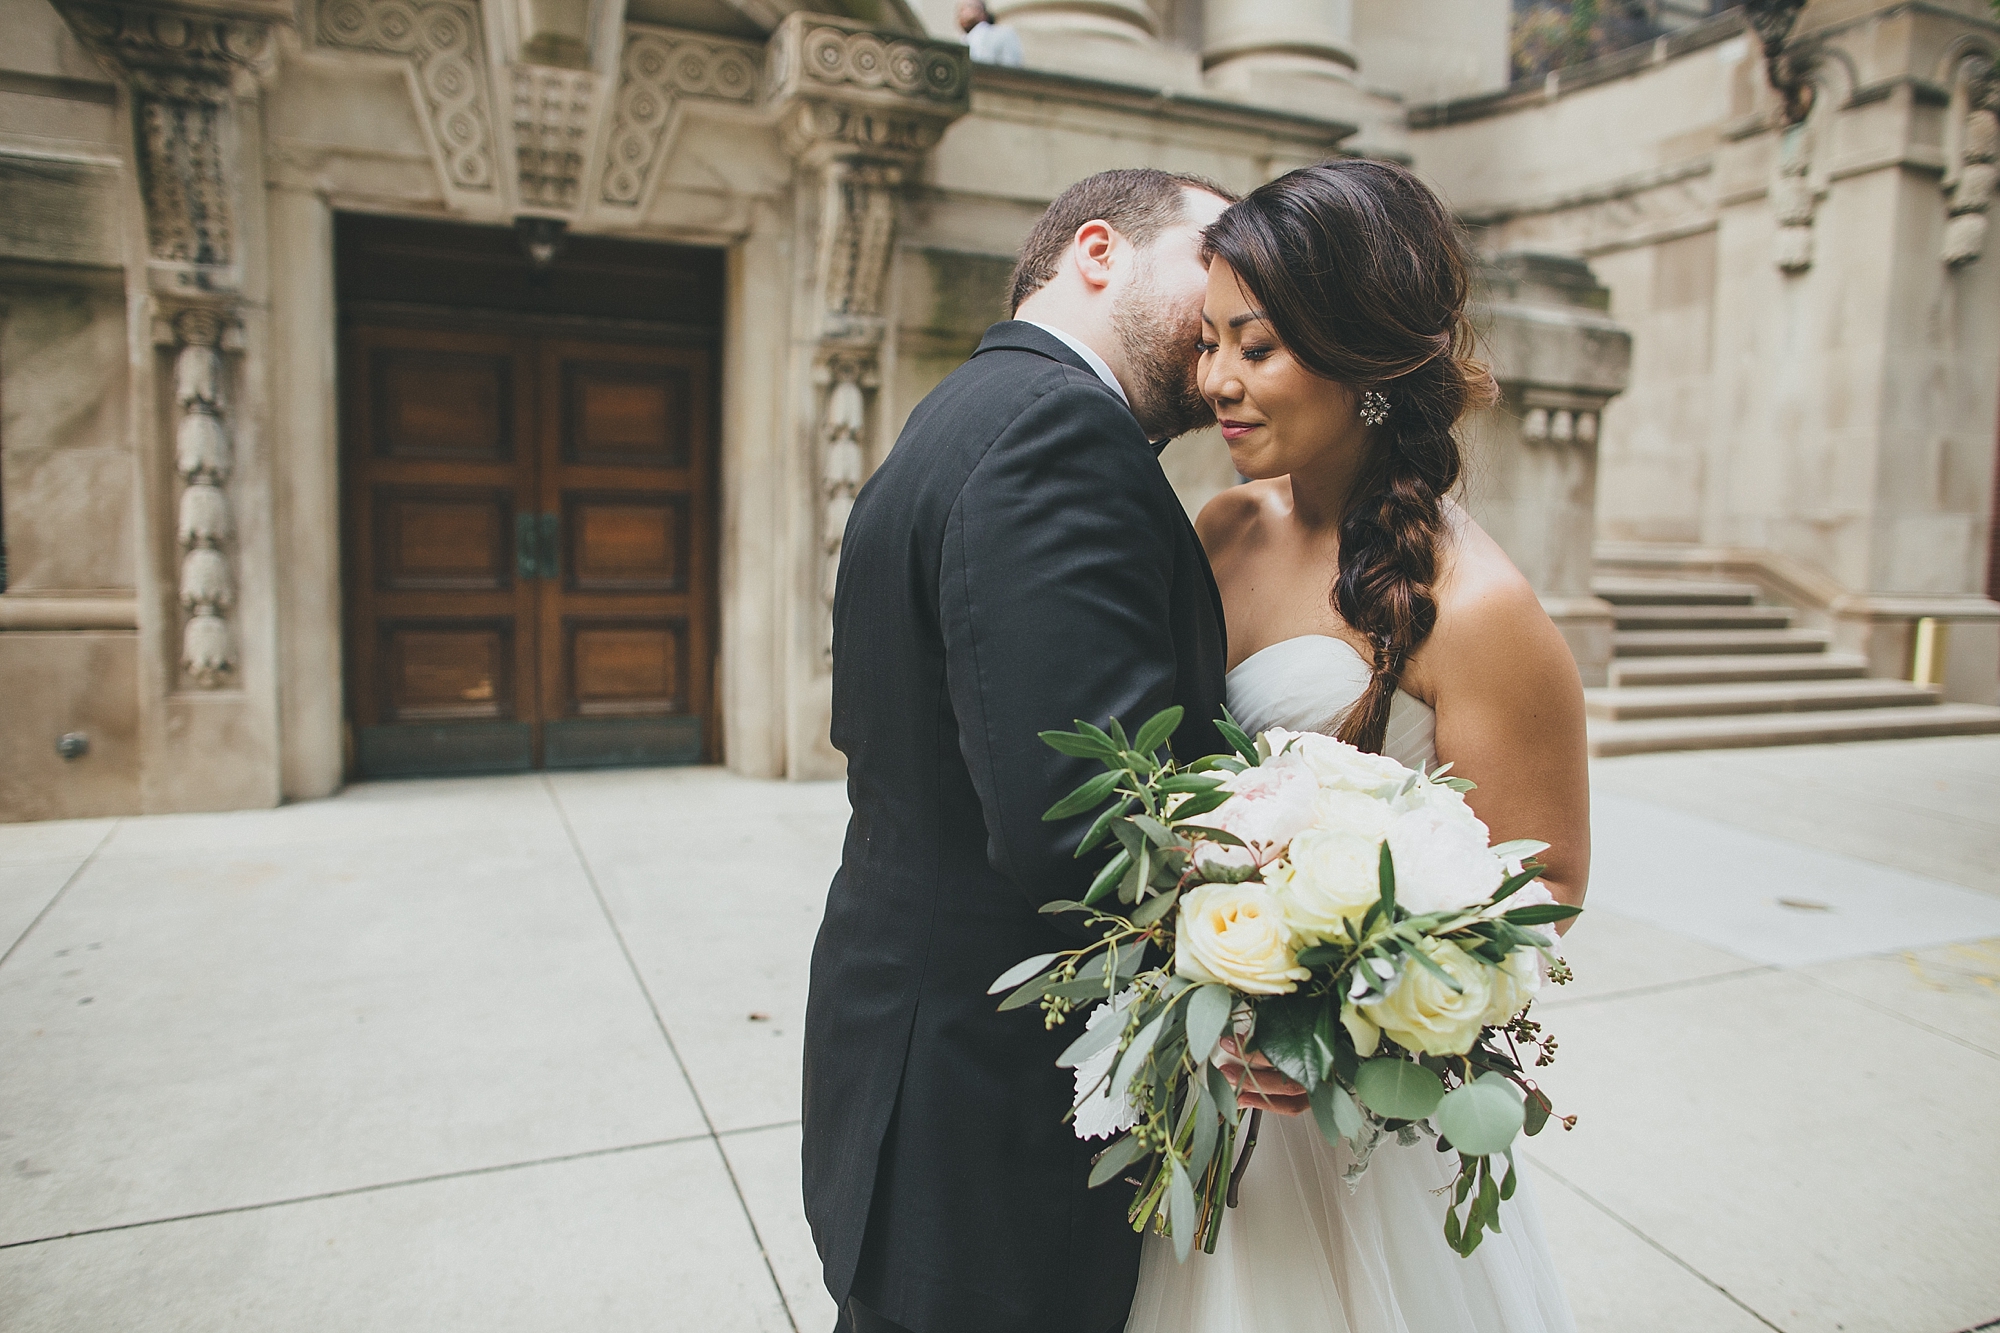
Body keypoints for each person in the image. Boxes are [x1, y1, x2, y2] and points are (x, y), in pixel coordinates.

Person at [1122, 159, 1587, 1332]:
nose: (1216, 382)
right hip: (1190, 1064)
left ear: (1359, 357)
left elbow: (1544, 886)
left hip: (1326, 1112)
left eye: (1257, 346)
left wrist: (1330, 1014)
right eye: (1209, 342)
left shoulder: (1477, 607)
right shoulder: (1220, 526)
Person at [802, 168, 1234, 1333]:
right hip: (987, 1109)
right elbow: (1076, 825)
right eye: (1216, 251)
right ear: (1099, 251)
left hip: (919, 1061)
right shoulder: (1058, 429)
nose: (1240, 292)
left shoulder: (967, 409)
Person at [957, 0, 1024, 66]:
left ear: (983, 14)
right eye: (960, 10)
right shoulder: (964, 39)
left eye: (968, 7)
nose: (962, 13)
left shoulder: (1003, 33)